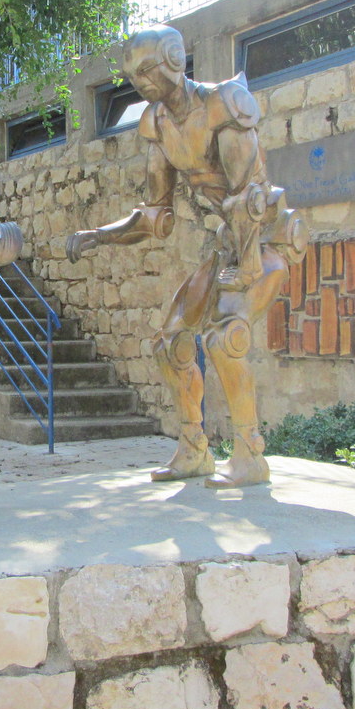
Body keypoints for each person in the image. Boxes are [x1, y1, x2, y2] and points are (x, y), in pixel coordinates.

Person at [67, 25, 307, 487]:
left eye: (148, 69)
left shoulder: (224, 104)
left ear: (174, 60)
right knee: (170, 341)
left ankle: (249, 454)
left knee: (224, 337)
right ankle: (195, 449)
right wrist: (100, 235)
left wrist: (246, 266)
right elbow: (155, 215)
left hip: (266, 241)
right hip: (229, 245)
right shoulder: (158, 123)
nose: (141, 82)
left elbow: (248, 198)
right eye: (133, 76)